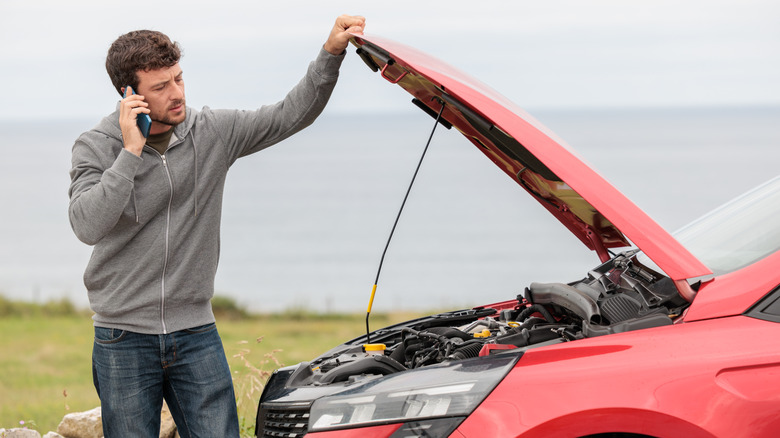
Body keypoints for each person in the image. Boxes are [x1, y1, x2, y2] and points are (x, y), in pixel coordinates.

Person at [67, 14, 366, 438]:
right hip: (123, 336)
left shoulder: (211, 132)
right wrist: (129, 155)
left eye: (178, 78)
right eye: (160, 86)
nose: (177, 94)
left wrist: (331, 53)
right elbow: (86, 225)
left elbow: (289, 115)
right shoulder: (96, 146)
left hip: (195, 332)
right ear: (128, 94)